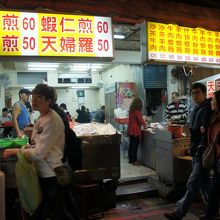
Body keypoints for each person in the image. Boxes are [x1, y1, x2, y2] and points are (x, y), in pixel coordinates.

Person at [3, 84, 75, 220]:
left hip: (51, 175)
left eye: (39, 97)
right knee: (41, 212)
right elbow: (36, 144)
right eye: (33, 97)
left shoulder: (52, 120)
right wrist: (26, 148)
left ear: (49, 101)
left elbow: (39, 153)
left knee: (59, 214)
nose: (34, 100)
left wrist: (17, 151)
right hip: (41, 173)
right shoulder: (41, 118)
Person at [164, 83, 213, 220]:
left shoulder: (207, 109)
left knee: (193, 183)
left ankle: (179, 212)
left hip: (201, 151)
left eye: (197, 92)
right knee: (204, 184)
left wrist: (193, 132)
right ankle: (214, 210)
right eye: (192, 93)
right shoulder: (197, 108)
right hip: (196, 150)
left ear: (204, 93)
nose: (194, 96)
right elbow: (198, 129)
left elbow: (205, 132)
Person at [200, 90, 220, 220]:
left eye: (213, 100)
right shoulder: (215, 116)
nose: (211, 102)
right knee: (214, 192)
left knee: (213, 192)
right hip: (217, 161)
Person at [127, 97, 146, 165]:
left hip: (130, 129)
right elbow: (141, 121)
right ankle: (134, 160)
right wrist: (145, 124)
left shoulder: (131, 111)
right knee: (135, 145)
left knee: (131, 145)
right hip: (135, 130)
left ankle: (130, 159)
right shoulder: (137, 112)